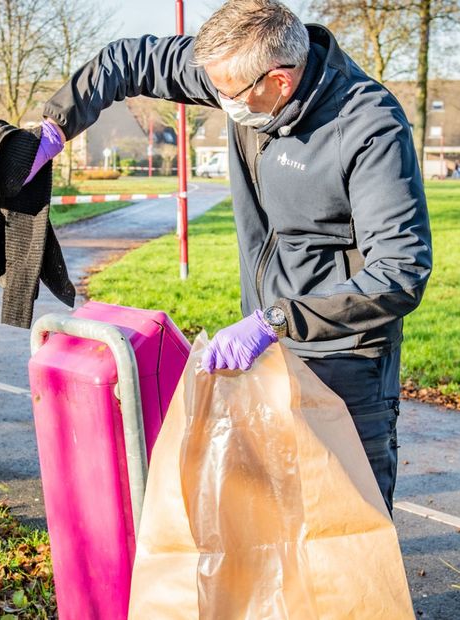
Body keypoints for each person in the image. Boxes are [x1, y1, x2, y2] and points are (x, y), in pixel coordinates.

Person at [28, 0, 432, 516]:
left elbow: (400, 271)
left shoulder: (368, 126)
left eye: (228, 94)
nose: (219, 101)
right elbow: (127, 60)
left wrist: (280, 319)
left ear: (281, 82)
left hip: (343, 364)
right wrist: (56, 126)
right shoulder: (242, 73)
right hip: (268, 350)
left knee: (345, 534)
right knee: (275, 525)